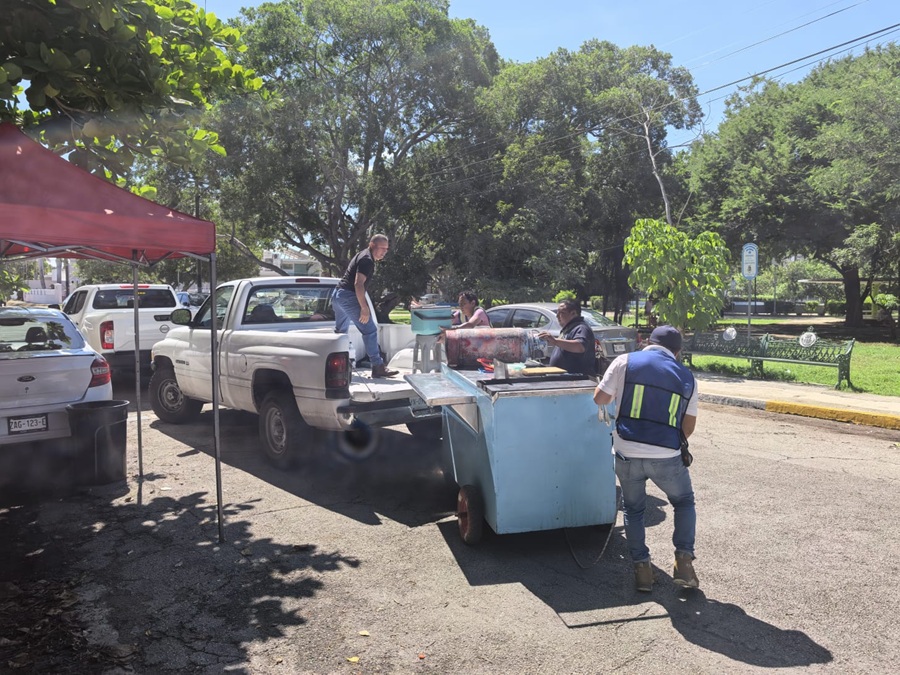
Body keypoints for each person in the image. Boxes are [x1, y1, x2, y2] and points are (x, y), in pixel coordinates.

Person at [592, 325, 700, 593]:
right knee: (684, 502)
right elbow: (687, 429)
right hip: (666, 456)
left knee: (633, 509)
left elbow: (600, 398)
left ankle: (642, 571)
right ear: (677, 351)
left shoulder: (625, 360)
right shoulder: (687, 377)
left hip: (626, 452)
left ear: (647, 343)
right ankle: (683, 562)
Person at [332, 234, 398, 378]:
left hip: (338, 294)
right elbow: (358, 283)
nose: (384, 252)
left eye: (386, 249)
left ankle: (338, 368)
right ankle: (377, 366)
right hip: (348, 296)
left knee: (340, 333)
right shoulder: (367, 260)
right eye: (382, 248)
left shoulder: (362, 255)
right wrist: (364, 307)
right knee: (370, 330)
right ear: (373, 245)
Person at [536, 299, 596, 376]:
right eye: (557, 312)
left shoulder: (581, 328)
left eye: (562, 313)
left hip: (577, 379)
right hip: (565, 378)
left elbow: (580, 346)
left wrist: (555, 341)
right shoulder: (569, 328)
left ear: (573, 313)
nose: (557, 316)